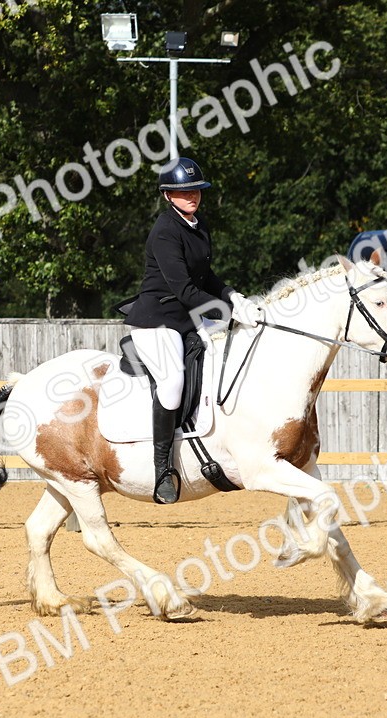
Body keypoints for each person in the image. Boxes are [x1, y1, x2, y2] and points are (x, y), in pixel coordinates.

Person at [123, 157, 263, 504]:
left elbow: (207, 278)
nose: (192, 196)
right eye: (184, 192)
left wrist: (234, 296)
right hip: (157, 321)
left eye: (196, 190)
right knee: (171, 383)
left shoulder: (198, 225)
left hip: (186, 320)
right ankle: (162, 471)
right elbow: (185, 290)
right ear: (168, 194)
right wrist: (230, 312)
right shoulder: (165, 232)